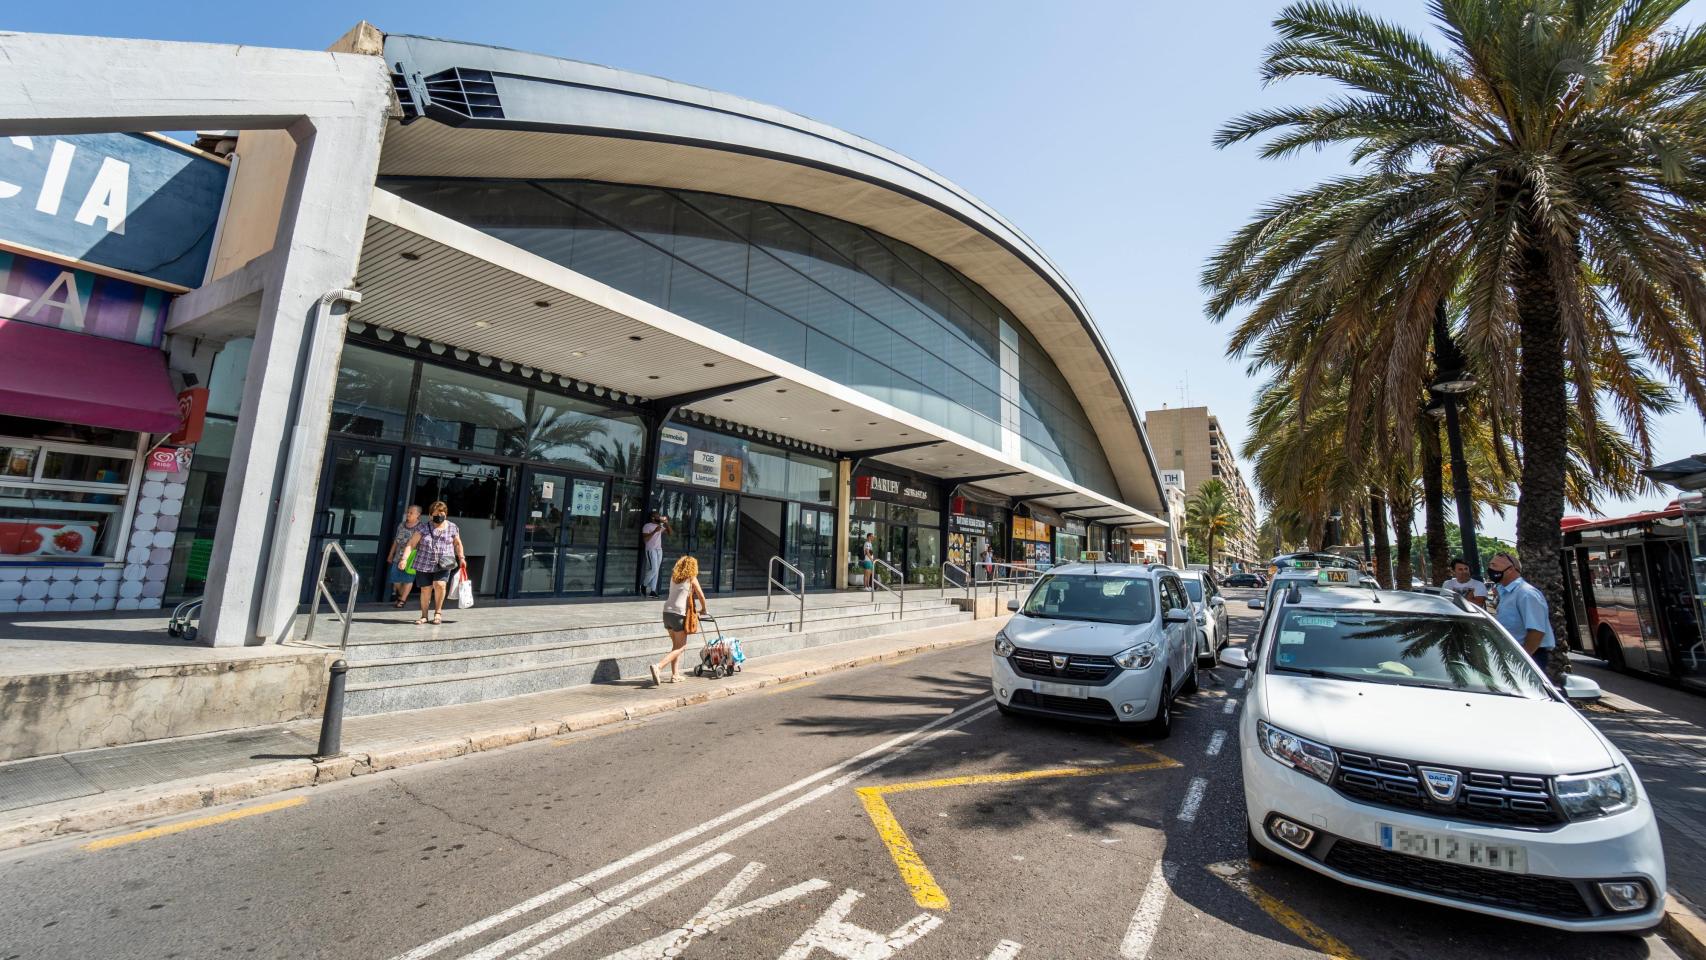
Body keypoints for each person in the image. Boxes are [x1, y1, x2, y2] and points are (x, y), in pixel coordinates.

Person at [1487, 552, 1555, 672]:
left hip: (1529, 657)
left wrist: (1523, 658)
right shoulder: (1506, 593)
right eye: (1490, 565)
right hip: (1513, 655)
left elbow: (1537, 631)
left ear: (1510, 569)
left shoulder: (1526, 594)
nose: (1490, 569)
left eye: (1494, 566)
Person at [400, 500, 464, 626]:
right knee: (425, 589)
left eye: (441, 513)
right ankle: (424, 615)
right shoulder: (423, 528)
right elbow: (411, 544)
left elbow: (457, 543)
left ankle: (438, 613)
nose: (439, 516)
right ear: (430, 515)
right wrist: (404, 559)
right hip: (424, 562)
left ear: (445, 514)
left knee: (440, 584)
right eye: (435, 514)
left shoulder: (452, 527)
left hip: (444, 563)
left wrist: (461, 557)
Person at [651, 554, 706, 686]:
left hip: (667, 614)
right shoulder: (691, 578)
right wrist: (704, 609)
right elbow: (701, 595)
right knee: (681, 646)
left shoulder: (674, 577)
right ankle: (658, 667)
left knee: (676, 646)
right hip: (678, 615)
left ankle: (675, 675)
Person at [385, 505, 423, 608]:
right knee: (395, 579)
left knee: (408, 579)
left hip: (412, 557)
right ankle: (401, 594)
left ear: (418, 514)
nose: (408, 514)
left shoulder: (421, 527)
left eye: (411, 512)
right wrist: (390, 554)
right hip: (398, 556)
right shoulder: (401, 525)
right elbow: (396, 541)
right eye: (408, 512)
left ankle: (402, 600)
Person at [640, 511, 671, 597]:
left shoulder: (659, 526)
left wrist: (666, 523)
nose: (659, 517)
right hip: (651, 550)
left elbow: (670, 533)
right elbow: (645, 539)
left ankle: (653, 591)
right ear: (653, 517)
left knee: (656, 570)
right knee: (654, 569)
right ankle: (644, 585)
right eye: (658, 516)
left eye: (659, 516)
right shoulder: (647, 526)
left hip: (659, 550)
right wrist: (654, 531)